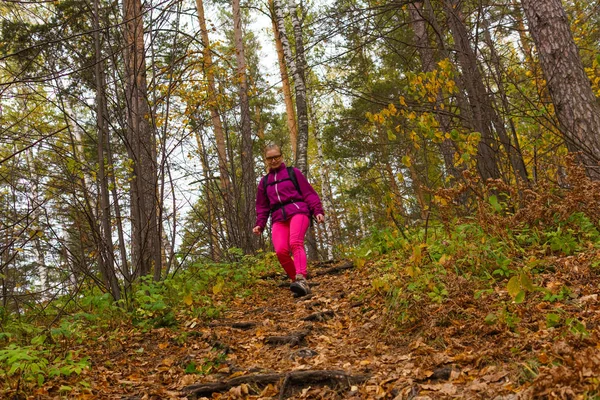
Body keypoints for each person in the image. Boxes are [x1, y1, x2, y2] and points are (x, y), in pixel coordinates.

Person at [253, 144, 325, 297]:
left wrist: (317, 210)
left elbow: (309, 194)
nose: (274, 160)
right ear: (266, 160)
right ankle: (298, 284)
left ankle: (301, 278)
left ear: (282, 156)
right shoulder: (264, 182)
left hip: (298, 211)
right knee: (280, 251)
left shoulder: (293, 173)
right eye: (270, 158)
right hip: (279, 218)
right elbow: (262, 207)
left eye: (276, 157)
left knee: (295, 242)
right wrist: (260, 224)